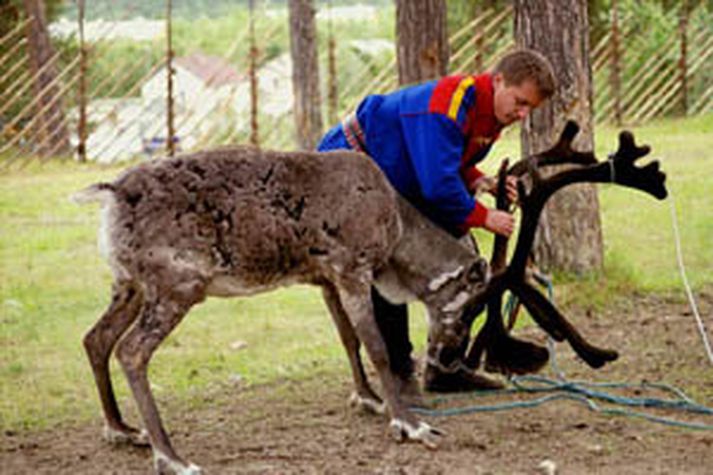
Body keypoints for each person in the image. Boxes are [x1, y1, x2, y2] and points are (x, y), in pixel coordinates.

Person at [317, 49, 557, 393]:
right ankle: (398, 375)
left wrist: (479, 181)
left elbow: (446, 157)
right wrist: (484, 216)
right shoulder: (449, 106)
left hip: (394, 179)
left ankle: (445, 368)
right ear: (499, 80)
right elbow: (437, 183)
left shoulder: (490, 113)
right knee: (385, 269)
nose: (522, 114)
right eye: (519, 103)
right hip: (346, 171)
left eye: (529, 109)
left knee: (466, 267)